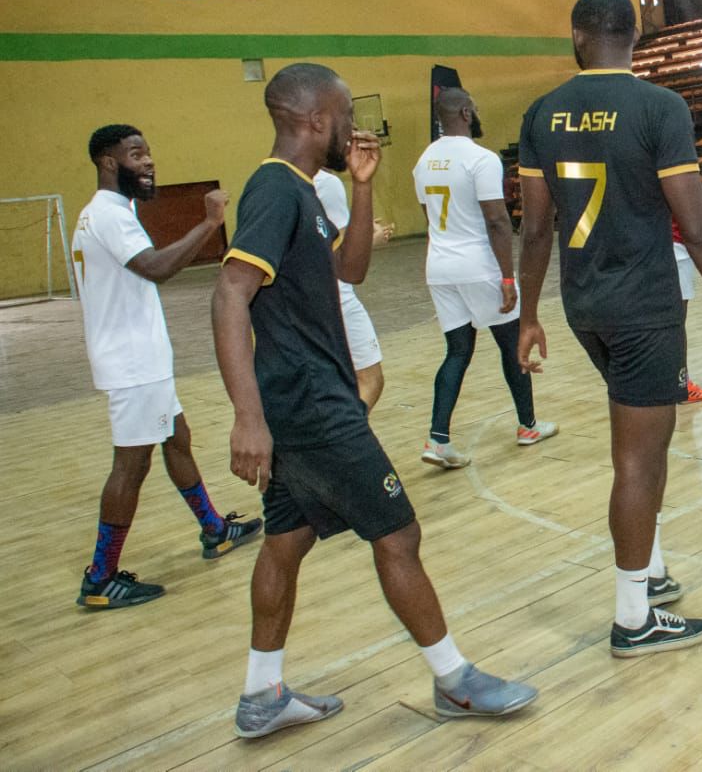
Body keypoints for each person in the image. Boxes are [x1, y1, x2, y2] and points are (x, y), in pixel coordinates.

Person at [213, 63, 536, 738]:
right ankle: (453, 679)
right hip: (311, 404)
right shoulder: (274, 189)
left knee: (285, 542)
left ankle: (261, 693)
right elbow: (229, 293)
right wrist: (247, 417)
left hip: (300, 403)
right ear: (314, 120)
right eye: (342, 112)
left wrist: (361, 190)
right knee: (399, 533)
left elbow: (350, 269)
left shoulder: (305, 189)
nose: (352, 125)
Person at [516, 0, 702, 657]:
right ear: (635, 37)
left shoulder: (541, 114)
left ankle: (649, 575)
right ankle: (634, 619)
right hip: (646, 308)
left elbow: (535, 230)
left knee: (635, 443)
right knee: (639, 458)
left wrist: (528, 313)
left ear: (576, 37)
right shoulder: (660, 107)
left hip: (583, 305)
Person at [71, 125, 262, 609]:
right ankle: (100, 576)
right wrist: (209, 222)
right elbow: (156, 267)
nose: (150, 161)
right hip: (134, 363)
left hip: (136, 358)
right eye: (137, 154)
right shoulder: (111, 216)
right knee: (130, 466)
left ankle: (214, 530)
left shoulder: (105, 213)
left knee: (176, 437)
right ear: (109, 163)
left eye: (149, 151)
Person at [413, 87, 558, 469]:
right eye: (473, 109)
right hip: (477, 265)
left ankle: (438, 438)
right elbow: (496, 220)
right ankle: (528, 425)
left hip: (439, 266)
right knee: (512, 343)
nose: (476, 114)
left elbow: (428, 214)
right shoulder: (481, 159)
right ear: (464, 112)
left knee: (458, 351)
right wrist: (507, 277)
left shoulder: (424, 159)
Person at [313, 169, 393, 410]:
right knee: (370, 379)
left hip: (307, 296)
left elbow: (328, 237)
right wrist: (371, 239)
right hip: (335, 295)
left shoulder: (282, 178)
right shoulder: (328, 183)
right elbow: (343, 257)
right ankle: (347, 436)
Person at [672, 218, 702, 402]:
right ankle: (681, 385)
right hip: (676, 248)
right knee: (676, 323)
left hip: (656, 246)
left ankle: (669, 382)